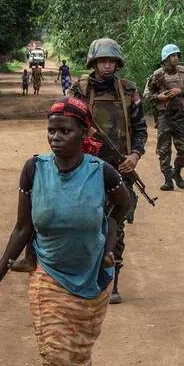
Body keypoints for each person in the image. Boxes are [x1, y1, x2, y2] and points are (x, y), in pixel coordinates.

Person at [0, 97, 131, 366]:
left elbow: (121, 209)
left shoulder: (103, 174)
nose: (56, 138)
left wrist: (109, 244)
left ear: (85, 133)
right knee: (54, 354)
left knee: (76, 353)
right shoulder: (34, 171)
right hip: (47, 276)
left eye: (65, 131)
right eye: (52, 131)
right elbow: (22, 228)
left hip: (93, 279)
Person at [68, 37, 147, 304]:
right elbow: (64, 125)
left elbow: (140, 130)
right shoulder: (78, 90)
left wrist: (134, 157)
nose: (108, 65)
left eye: (112, 60)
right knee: (85, 224)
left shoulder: (129, 91)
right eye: (103, 60)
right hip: (85, 168)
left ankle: (112, 282)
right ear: (94, 62)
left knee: (115, 225)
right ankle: (86, 279)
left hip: (119, 168)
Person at [144, 43, 184, 191]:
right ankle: (167, 179)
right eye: (172, 56)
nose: (175, 58)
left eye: (176, 55)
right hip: (164, 117)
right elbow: (147, 95)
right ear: (165, 59)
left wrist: (181, 91)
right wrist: (158, 97)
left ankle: (177, 172)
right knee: (164, 150)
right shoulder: (157, 76)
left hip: (181, 116)